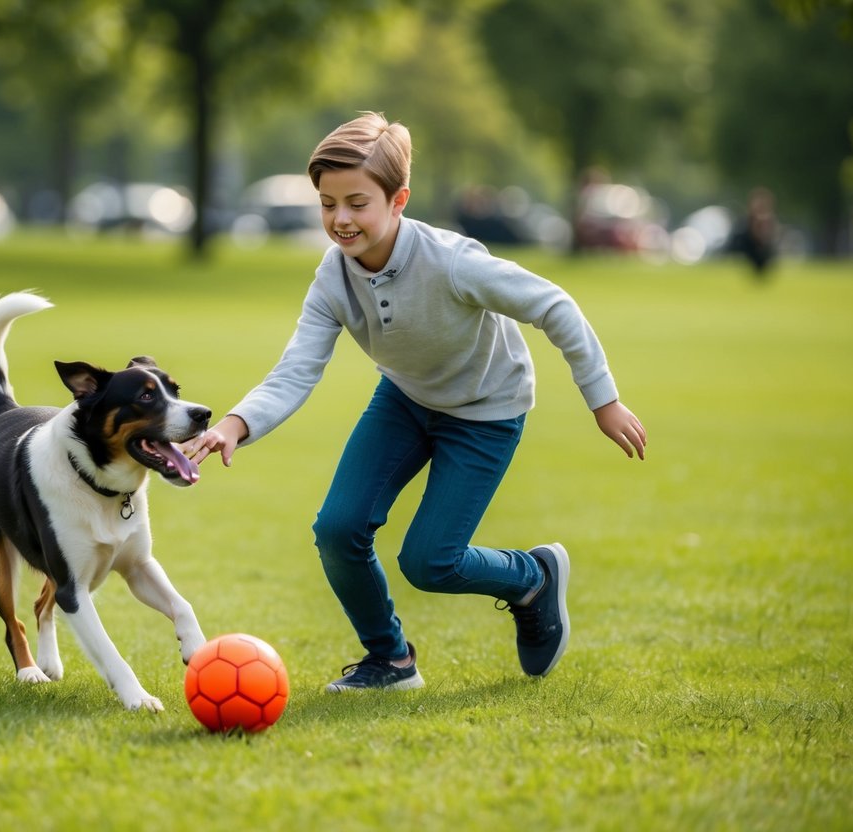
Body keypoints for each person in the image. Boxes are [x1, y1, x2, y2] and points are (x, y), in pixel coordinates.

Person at [187, 112, 646, 692]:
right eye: (328, 204)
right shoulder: (333, 278)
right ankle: (391, 660)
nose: (341, 219)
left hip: (486, 412)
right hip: (405, 400)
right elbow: (296, 370)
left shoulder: (453, 262)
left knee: (430, 562)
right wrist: (234, 424)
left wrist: (603, 401)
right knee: (338, 528)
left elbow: (554, 305)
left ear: (399, 199)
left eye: (358, 202)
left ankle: (531, 577)